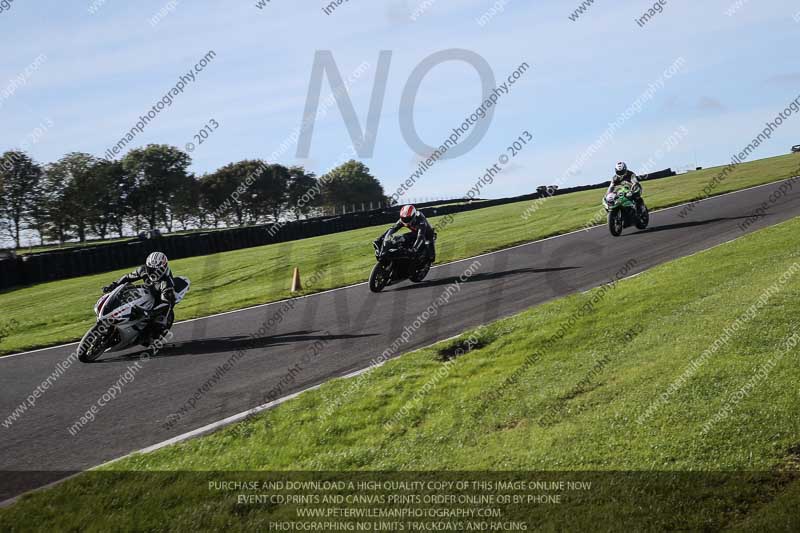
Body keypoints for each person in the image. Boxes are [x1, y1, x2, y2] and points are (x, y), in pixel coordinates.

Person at [103, 252, 176, 344]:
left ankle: (153, 338)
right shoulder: (143, 270)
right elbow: (127, 277)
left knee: (158, 322)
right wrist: (113, 285)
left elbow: (167, 304)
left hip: (158, 299)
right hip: (146, 290)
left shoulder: (166, 283)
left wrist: (150, 313)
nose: (154, 272)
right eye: (151, 269)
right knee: (127, 289)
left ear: (164, 268)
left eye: (157, 270)